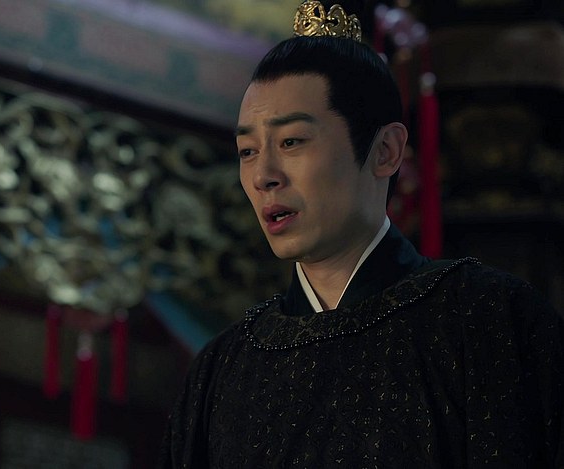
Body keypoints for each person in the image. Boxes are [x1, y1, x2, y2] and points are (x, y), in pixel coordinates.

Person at [158, 1, 564, 467]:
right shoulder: (221, 370)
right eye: (247, 151)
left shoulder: (486, 321)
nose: (263, 175)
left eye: (291, 141)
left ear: (386, 151)